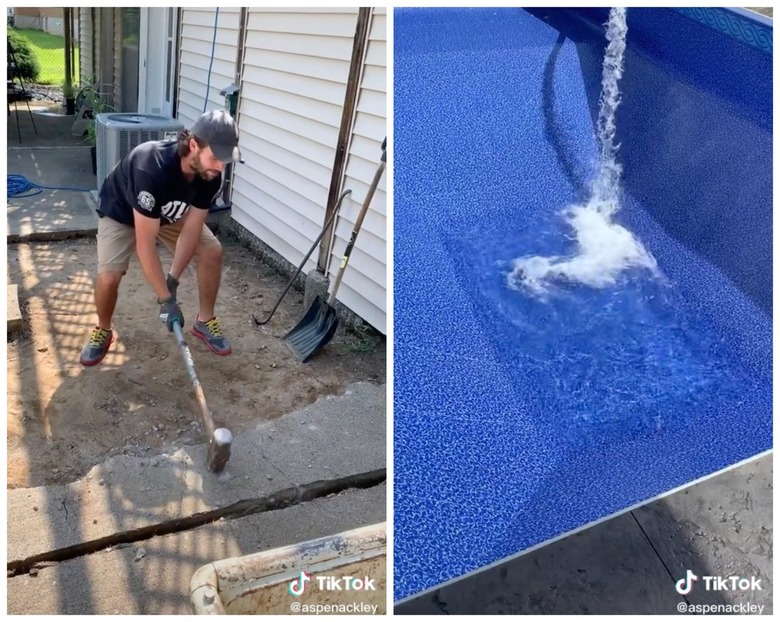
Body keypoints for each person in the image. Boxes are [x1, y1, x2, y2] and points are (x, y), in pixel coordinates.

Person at [80, 109, 241, 366]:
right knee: (109, 277)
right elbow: (146, 246)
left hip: (167, 213)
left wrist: (173, 280)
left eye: (225, 160)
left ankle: (205, 321)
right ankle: (103, 329)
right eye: (215, 158)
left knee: (212, 251)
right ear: (192, 145)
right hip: (121, 212)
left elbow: (191, 231)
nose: (220, 166)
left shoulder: (210, 174)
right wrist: (165, 300)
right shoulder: (150, 167)